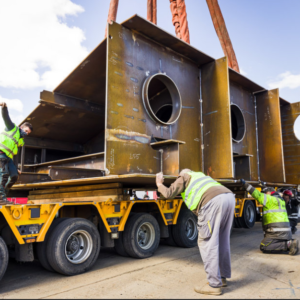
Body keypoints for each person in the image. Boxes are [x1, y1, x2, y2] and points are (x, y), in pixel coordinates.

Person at [156, 169, 235, 296]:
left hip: (212, 202)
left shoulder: (184, 176)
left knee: (208, 242)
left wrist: (159, 184)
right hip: (228, 197)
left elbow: (169, 193)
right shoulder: (200, 176)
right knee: (222, 240)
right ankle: (222, 277)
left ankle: (214, 285)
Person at [240, 179, 298, 255]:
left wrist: (245, 184)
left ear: (269, 193)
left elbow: (256, 193)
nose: (264, 195)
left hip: (277, 232)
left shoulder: (269, 199)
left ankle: (288, 245)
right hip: (286, 232)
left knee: (264, 246)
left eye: (265, 193)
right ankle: (289, 242)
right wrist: (264, 185)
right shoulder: (281, 201)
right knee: (267, 242)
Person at [0, 102, 33, 204]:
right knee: (4, 174)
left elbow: (15, 154)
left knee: (14, 176)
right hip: (1, 154)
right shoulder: (12, 128)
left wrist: (17, 168)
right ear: (22, 127)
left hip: (8, 158)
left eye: (28, 133)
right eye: (26, 130)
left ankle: (3, 195)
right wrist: (4, 108)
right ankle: (1, 198)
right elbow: (6, 118)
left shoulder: (20, 140)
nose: (26, 133)